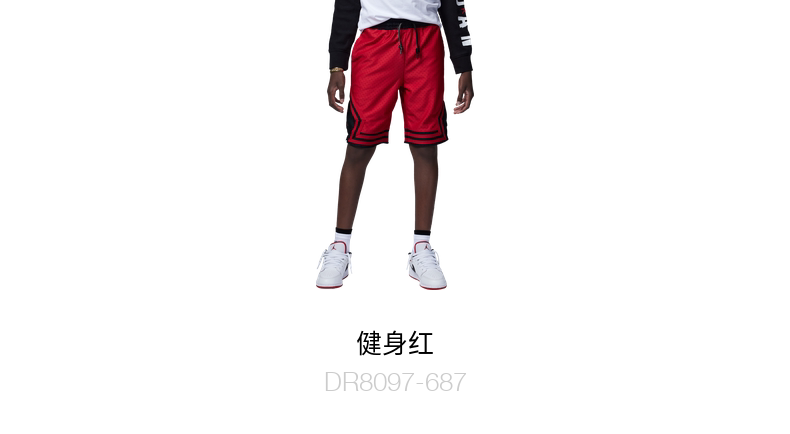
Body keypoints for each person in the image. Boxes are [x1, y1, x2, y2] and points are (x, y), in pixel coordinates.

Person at [316, 0, 474, 289]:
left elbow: (453, 6)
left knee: (425, 145)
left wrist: (464, 64)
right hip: (375, 44)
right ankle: (340, 246)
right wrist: (337, 64)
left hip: (425, 44)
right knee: (359, 145)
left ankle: (421, 248)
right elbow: (346, 5)